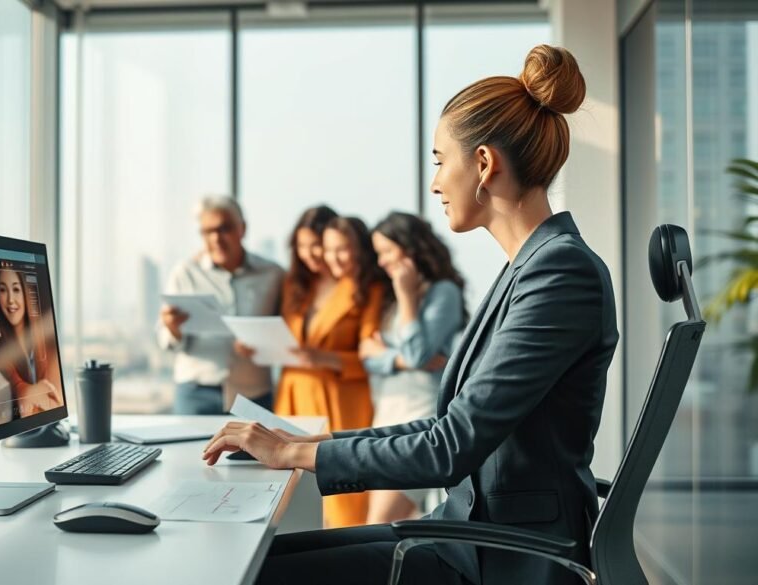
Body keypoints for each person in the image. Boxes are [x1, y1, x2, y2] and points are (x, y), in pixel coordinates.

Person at [202, 44, 618, 585]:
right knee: (255, 561)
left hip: (505, 556)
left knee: (250, 574)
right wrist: (311, 443)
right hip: (468, 531)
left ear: (485, 164)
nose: (435, 183)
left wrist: (292, 453)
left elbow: (450, 448)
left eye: (442, 161)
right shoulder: (532, 266)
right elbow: (448, 425)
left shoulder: (559, 274)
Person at [275, 213, 386, 528]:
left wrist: (323, 358)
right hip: (294, 394)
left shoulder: (364, 288)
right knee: (290, 492)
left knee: (342, 498)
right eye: (322, 248)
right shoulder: (300, 287)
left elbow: (370, 355)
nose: (322, 255)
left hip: (339, 398)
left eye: (336, 248)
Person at [359, 211, 467, 525]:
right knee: (382, 522)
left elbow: (418, 354)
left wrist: (407, 297)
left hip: (421, 417)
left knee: (378, 521)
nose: (381, 262)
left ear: (410, 247)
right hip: (387, 414)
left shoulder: (442, 292)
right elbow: (368, 355)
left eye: (386, 251)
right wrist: (398, 358)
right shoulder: (389, 298)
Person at [158, 196, 284, 414]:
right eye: (207, 231)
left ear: (242, 229)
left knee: (257, 450)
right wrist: (172, 329)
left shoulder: (273, 274)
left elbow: (289, 331)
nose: (216, 238)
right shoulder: (185, 273)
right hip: (195, 393)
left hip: (254, 394)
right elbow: (165, 340)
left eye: (224, 228)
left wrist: (263, 345)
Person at [0, 267, 63, 417]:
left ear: (27, 292)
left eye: (16, 289)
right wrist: (25, 391)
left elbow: (55, 401)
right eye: (3, 290)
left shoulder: (45, 341)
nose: (10, 300)